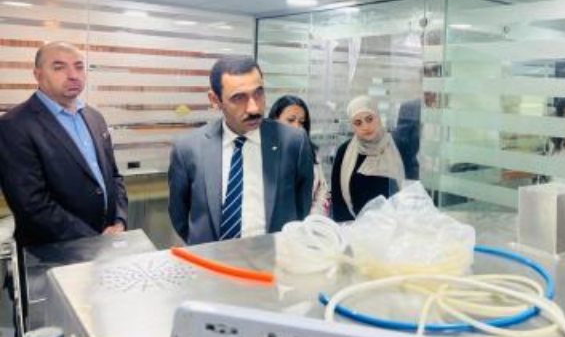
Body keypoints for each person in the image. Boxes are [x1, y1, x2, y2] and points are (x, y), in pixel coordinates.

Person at [168, 57, 314, 245]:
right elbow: (179, 214)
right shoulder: (189, 148)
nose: (254, 108)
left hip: (274, 256)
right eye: (238, 97)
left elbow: (302, 206)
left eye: (258, 93)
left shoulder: (293, 142)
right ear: (215, 100)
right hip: (210, 258)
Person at [0, 42, 128, 247]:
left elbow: (114, 176)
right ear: (38, 74)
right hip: (53, 252)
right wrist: (93, 240)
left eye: (79, 66)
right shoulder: (14, 125)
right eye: (59, 67)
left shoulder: (94, 117)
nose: (73, 75)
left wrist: (120, 221)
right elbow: (31, 203)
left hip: (108, 240)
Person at [331, 95, 405, 222]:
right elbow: (338, 199)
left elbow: (409, 189)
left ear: (378, 117)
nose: (365, 127)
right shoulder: (344, 151)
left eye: (369, 119)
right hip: (354, 227)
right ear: (352, 126)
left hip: (394, 226)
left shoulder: (397, 146)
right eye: (358, 123)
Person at [268, 95, 330, 216]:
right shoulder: (261, 150)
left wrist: (313, 217)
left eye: (301, 122)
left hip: (307, 221)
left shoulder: (312, 152)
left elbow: (321, 190)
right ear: (274, 120)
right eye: (290, 120)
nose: (297, 127)